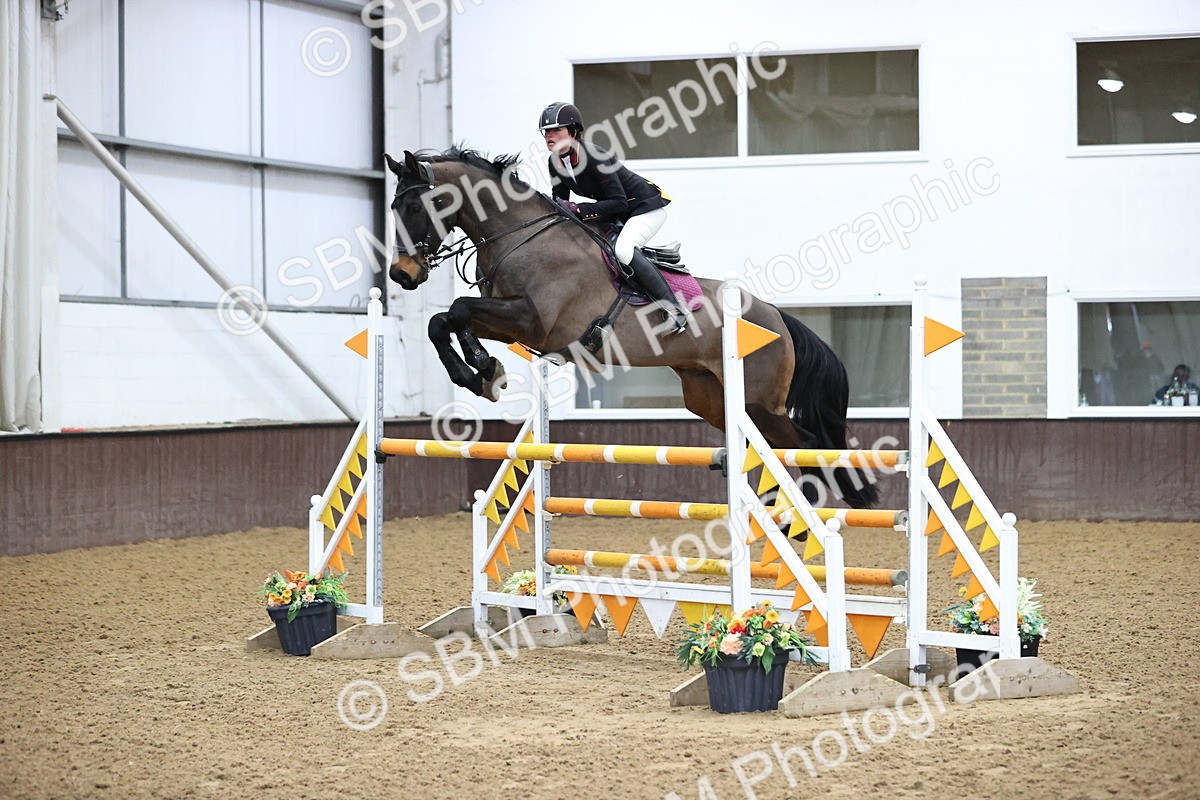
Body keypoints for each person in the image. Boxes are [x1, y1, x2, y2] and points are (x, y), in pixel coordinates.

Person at [538, 101, 688, 334]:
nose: (550, 135)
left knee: (623, 250)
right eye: (547, 131)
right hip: (615, 213)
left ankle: (676, 311)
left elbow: (617, 201)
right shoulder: (555, 162)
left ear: (573, 132)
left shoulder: (594, 156)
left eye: (557, 130)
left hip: (644, 207)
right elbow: (560, 201)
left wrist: (580, 210)